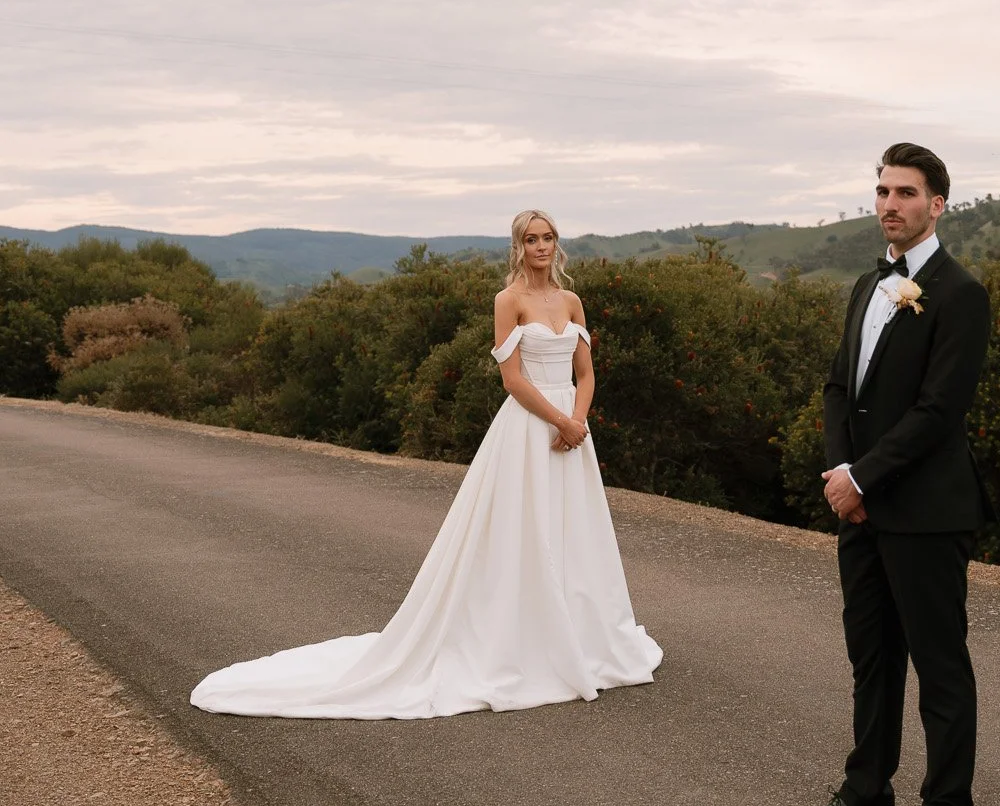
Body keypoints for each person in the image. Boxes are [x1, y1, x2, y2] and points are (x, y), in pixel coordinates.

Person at [191, 209, 661, 718]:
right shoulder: (509, 300)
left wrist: (578, 420)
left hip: (572, 428)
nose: (542, 247)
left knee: (575, 529)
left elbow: (585, 372)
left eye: (548, 238)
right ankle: (521, 638)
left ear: (557, 244)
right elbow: (513, 380)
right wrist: (558, 422)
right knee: (524, 528)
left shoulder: (571, 301)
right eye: (532, 239)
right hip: (530, 427)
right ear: (519, 246)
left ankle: (582, 634)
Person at [779, 142, 993, 806]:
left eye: (904, 193)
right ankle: (866, 794)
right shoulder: (865, 288)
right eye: (880, 192)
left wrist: (862, 479)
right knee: (870, 660)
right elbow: (839, 387)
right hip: (860, 507)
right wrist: (842, 473)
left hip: (927, 512)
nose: (889, 205)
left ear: (937, 205)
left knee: (939, 669)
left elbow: (938, 411)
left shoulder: (960, 294)